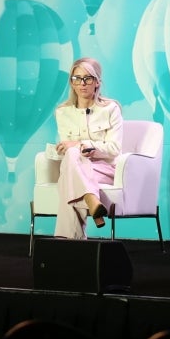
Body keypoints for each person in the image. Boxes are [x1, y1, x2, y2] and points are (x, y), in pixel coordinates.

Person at [51, 57, 123, 240]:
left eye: (87, 78)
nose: (82, 84)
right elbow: (67, 152)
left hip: (104, 169)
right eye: (77, 78)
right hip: (75, 167)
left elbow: (114, 148)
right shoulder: (62, 112)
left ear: (97, 82)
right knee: (72, 160)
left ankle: (65, 243)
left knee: (68, 177)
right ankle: (91, 199)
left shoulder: (110, 109)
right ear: (71, 82)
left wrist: (80, 145)